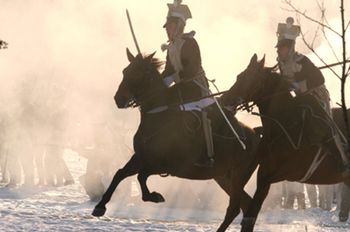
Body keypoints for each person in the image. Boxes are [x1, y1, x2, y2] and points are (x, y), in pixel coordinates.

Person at [276, 17, 349, 175]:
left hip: (316, 96)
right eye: (278, 48)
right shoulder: (280, 63)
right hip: (300, 98)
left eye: (281, 48)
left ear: (290, 48)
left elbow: (319, 79)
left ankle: (342, 159)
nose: (278, 50)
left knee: (325, 124)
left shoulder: (302, 60)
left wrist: (299, 85)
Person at [161, 0, 215, 167]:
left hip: (197, 89)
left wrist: (171, 79)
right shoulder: (171, 48)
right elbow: (169, 71)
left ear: (179, 26)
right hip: (182, 88)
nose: (168, 30)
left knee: (196, 114)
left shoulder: (189, 43)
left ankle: (209, 154)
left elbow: (190, 71)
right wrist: (159, 84)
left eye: (170, 26)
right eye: (167, 27)